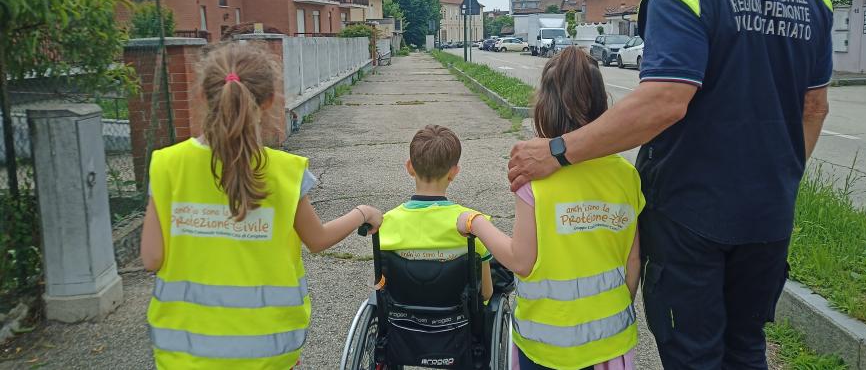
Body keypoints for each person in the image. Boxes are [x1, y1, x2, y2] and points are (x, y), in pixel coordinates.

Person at [507, 0, 833, 368]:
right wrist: (778, 179)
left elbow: (664, 101)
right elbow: (814, 108)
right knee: (745, 346)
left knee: (693, 353)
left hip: (691, 217)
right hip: (769, 215)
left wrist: (558, 150)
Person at [140, 43, 383, 369]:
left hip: (183, 352)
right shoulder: (286, 171)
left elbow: (152, 258)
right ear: (269, 101)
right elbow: (317, 239)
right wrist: (363, 213)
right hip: (269, 350)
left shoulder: (167, 165)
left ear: (203, 96)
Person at [460, 47, 643, 370]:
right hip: (611, 342)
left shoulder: (535, 178)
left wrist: (476, 223)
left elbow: (521, 260)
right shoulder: (626, 174)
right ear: (601, 102)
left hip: (546, 345)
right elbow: (633, 260)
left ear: (544, 105)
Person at [379, 124, 493, 301]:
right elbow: (485, 293)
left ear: (410, 167)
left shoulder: (386, 223)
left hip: (401, 320)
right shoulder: (474, 224)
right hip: (458, 322)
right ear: (453, 172)